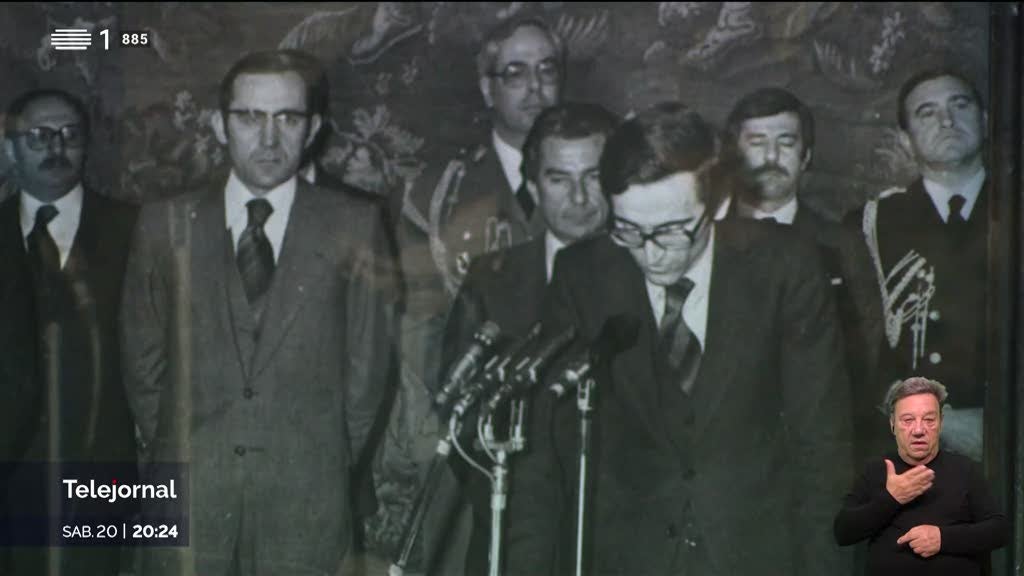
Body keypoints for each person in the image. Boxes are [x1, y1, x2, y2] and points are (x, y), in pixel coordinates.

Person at [522, 102, 853, 574]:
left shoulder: (786, 267)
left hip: (757, 556)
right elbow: (544, 458)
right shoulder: (581, 277)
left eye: (673, 231)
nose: (651, 254)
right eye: (629, 230)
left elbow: (823, 451)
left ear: (718, 203)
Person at [120, 50, 397, 575]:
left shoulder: (355, 225)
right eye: (250, 117)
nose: (269, 139)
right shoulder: (164, 223)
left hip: (305, 507)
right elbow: (143, 365)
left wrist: (315, 458)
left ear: (312, 128)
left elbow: (367, 377)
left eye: (287, 118)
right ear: (219, 126)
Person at [439, 102, 617, 575]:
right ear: (534, 188)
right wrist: (505, 503)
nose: (579, 197)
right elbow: (459, 417)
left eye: (594, 177)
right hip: (512, 533)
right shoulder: (492, 279)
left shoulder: (650, 273)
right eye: (559, 179)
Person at [0, 89, 138, 575]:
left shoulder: (136, 231)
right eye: (39, 136)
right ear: (10, 148)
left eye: (70, 135)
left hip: (102, 484)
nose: (56, 147)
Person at [723, 87, 882, 462]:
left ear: (806, 156)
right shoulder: (705, 238)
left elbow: (866, 350)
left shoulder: (840, 245)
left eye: (786, 142)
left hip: (809, 450)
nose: (772, 157)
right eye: (757, 143)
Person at [848, 69, 989, 461]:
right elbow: (855, 348)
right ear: (905, 141)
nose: (947, 121)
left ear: (985, 120)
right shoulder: (872, 224)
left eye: (959, 105)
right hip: (909, 451)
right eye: (927, 112)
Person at [834, 377, 1008, 575]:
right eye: (908, 420)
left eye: (929, 420)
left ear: (940, 423)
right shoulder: (876, 471)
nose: (918, 430)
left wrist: (942, 538)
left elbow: (999, 531)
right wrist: (891, 498)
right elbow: (843, 532)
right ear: (892, 424)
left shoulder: (965, 470)